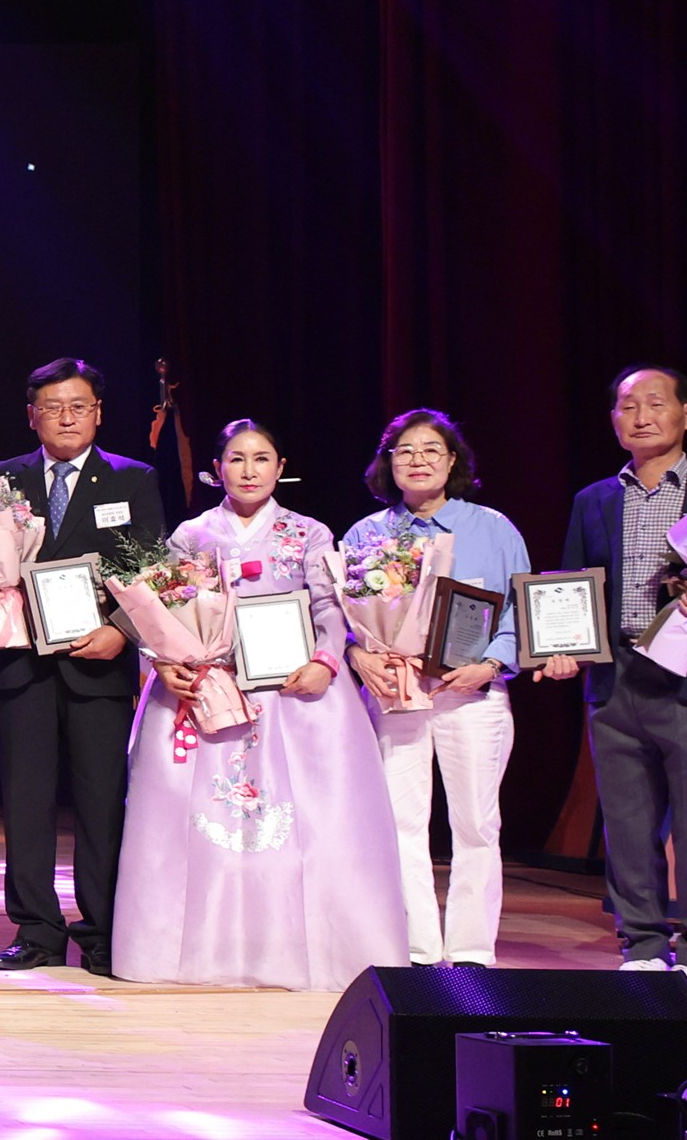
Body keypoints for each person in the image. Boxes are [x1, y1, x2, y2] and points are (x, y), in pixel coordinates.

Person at [114, 419, 406, 990]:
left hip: (292, 691)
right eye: (237, 459)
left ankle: (298, 951)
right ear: (216, 469)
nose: (249, 471)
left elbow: (329, 608)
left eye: (262, 458)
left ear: (280, 467)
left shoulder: (309, 533)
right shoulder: (192, 535)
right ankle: (199, 950)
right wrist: (162, 661)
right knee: (203, 820)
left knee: (304, 823)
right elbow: (162, 612)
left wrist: (325, 661)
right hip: (212, 689)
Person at [551, 366, 687, 1001]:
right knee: (628, 825)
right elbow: (573, 583)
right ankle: (641, 944)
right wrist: (561, 646)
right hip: (617, 681)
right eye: (626, 405)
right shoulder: (594, 499)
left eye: (655, 403)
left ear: (686, 415)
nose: (640, 416)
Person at [0, 358, 161, 977]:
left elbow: (152, 570)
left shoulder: (133, 479)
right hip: (20, 664)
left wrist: (121, 631)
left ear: (98, 413)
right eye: (52, 407)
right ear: (31, 416)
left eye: (78, 406)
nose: (65, 417)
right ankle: (35, 930)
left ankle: (104, 930)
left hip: (99, 664)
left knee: (101, 802)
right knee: (25, 802)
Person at [339, 409, 530, 970]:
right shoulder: (367, 535)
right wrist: (357, 654)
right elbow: (344, 617)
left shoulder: (493, 528)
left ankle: (471, 950)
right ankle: (416, 947)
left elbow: (520, 609)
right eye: (404, 450)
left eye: (430, 450)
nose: (417, 460)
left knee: (476, 824)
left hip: (472, 694)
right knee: (400, 822)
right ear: (388, 463)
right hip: (397, 694)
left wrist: (490, 665)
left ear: (452, 461)